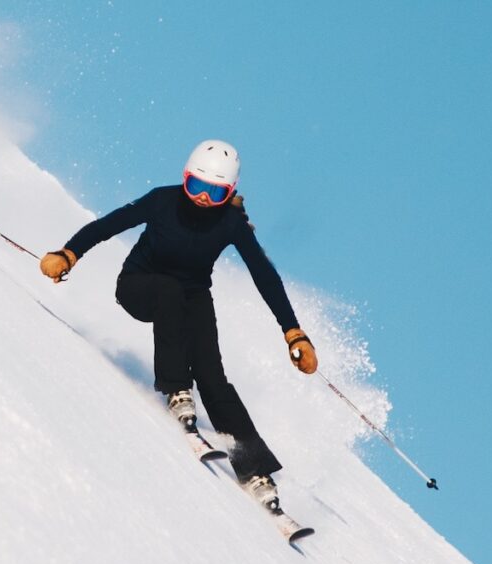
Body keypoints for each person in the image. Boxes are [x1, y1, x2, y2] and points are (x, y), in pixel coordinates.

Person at [39, 139, 317, 509]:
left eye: (215, 192)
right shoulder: (162, 201)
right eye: (196, 186)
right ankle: (176, 389)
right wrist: (68, 253)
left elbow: (263, 274)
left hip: (191, 296)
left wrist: (293, 331)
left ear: (229, 192)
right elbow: (109, 225)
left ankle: (254, 469)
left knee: (213, 374)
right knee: (169, 290)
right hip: (139, 285)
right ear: (185, 179)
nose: (203, 198)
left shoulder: (231, 223)